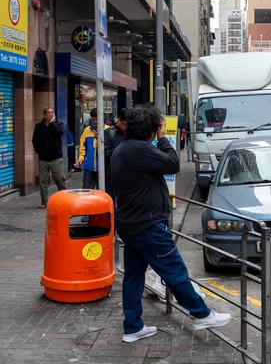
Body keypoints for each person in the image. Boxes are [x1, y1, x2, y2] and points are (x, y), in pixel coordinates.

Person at [111, 104, 231, 343]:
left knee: (134, 276)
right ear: (153, 129)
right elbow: (173, 164)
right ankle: (202, 314)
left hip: (131, 224)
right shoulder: (141, 149)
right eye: (158, 127)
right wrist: (164, 140)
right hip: (148, 226)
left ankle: (133, 327)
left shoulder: (123, 148)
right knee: (174, 270)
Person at [32, 107, 66, 208]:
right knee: (43, 181)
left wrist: (52, 124)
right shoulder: (39, 126)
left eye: (52, 113)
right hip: (43, 159)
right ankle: (44, 202)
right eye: (49, 113)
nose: (51, 115)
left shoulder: (59, 124)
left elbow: (59, 134)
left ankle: (64, 200)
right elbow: (35, 140)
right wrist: (38, 151)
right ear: (44, 115)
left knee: (60, 179)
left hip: (56, 158)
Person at [75, 108, 104, 189]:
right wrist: (81, 158)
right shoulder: (87, 130)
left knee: (101, 191)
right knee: (86, 189)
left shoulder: (107, 130)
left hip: (102, 168)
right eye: (93, 119)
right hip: (89, 166)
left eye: (97, 119)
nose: (95, 122)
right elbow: (82, 147)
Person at [104, 109, 128, 200]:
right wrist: (121, 149)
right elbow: (104, 152)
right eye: (124, 124)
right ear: (119, 120)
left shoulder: (132, 132)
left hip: (128, 174)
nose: (126, 127)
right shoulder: (109, 132)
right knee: (111, 199)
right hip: (111, 174)